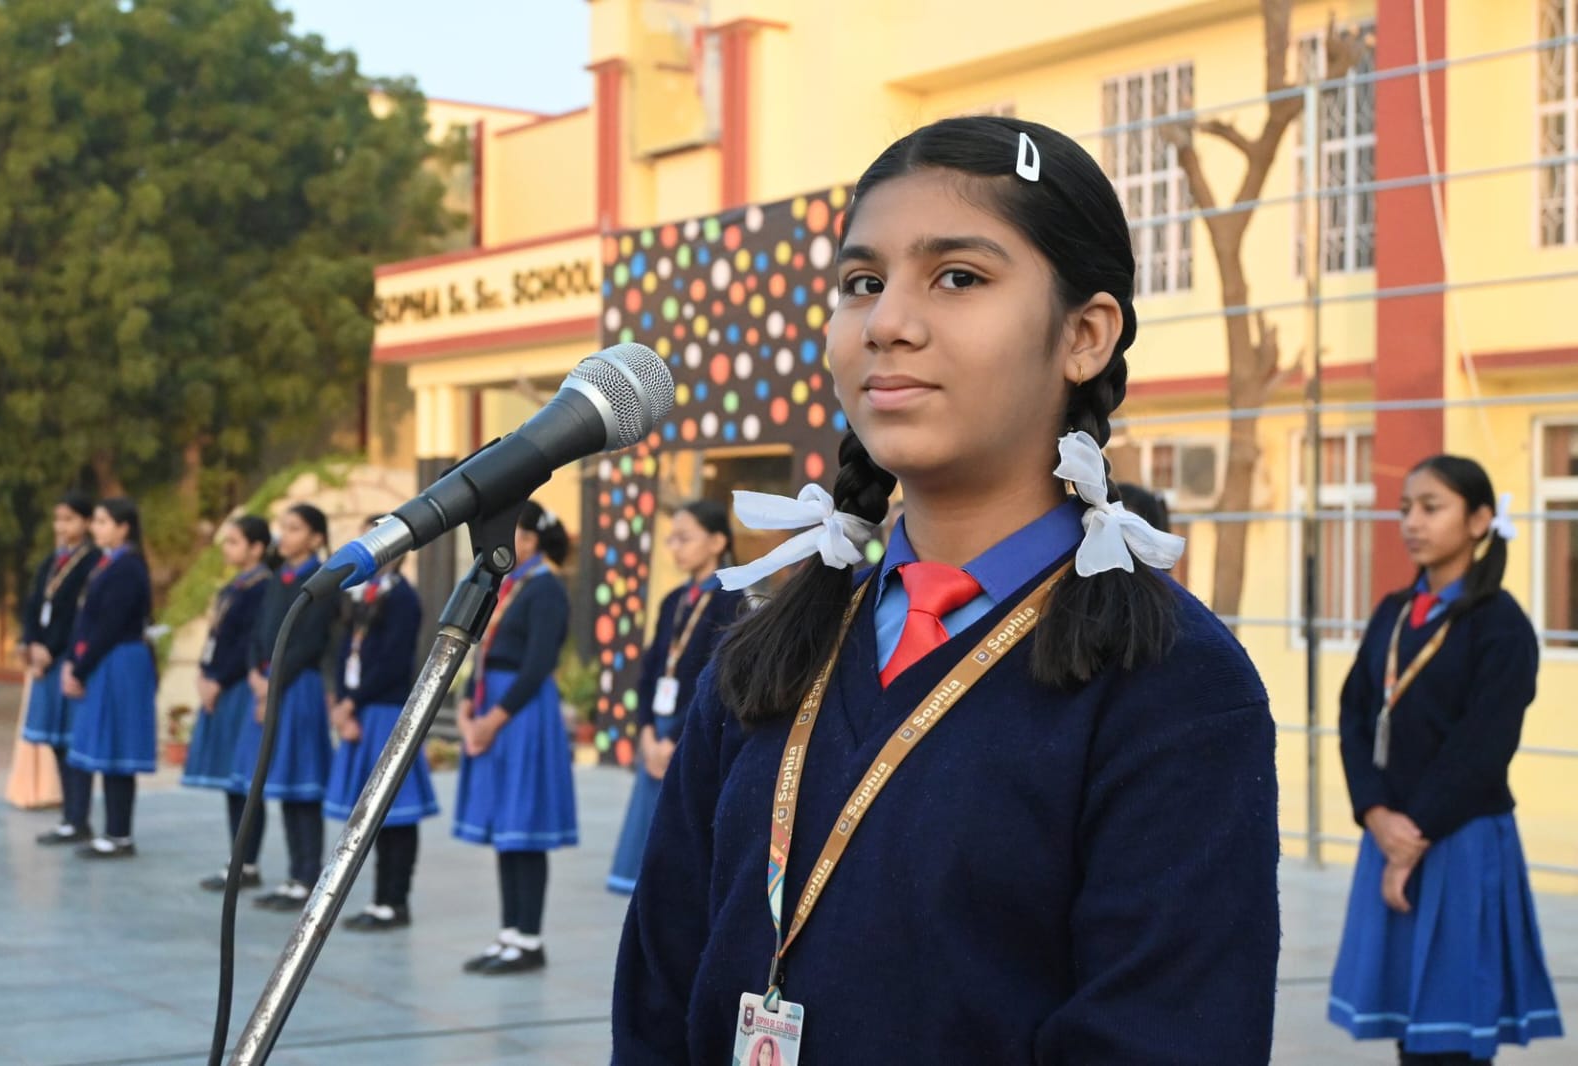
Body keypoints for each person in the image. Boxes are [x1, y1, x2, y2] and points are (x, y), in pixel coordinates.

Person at [612, 116, 1279, 1064]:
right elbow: (657, 996)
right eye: (861, 283)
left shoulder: (1173, 686)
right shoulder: (766, 653)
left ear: (1084, 335)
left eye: (957, 277)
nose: (886, 322)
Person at [1329, 456, 1563, 1064]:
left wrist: (1412, 835)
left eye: (1431, 507)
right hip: (1390, 833)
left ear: (1479, 520)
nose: (1412, 522)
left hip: (1459, 840)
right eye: (1406, 508)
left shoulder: (1501, 626)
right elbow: (1354, 715)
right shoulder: (1392, 612)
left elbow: (1483, 746)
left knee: (1454, 1035)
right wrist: (1375, 813)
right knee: (1409, 1026)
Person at [455, 501, 578, 975]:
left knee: (525, 829)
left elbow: (538, 664)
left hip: (521, 714)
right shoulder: (508, 584)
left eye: (516, 533)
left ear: (530, 539)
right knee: (506, 830)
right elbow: (483, 648)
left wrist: (493, 719)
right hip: (495, 707)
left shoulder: (546, 588)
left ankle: (529, 939)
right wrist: (467, 706)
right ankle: (508, 935)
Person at [607, 500, 744, 894]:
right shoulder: (674, 600)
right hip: (659, 732)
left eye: (685, 538)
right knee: (647, 829)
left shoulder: (731, 600)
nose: (676, 548)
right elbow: (650, 669)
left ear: (717, 541)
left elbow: (720, 678)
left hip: (695, 729)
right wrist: (646, 731)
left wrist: (672, 738)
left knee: (685, 833)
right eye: (672, 539)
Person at [323, 535, 436, 931]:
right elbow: (343, 651)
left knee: (395, 811)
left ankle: (395, 900)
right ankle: (379, 898)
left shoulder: (403, 599)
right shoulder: (360, 595)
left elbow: (393, 661)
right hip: (359, 710)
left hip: (385, 710)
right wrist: (342, 700)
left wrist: (352, 702)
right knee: (371, 814)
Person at [231, 503, 338, 912]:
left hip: (296, 687)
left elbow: (309, 642)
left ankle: (307, 876)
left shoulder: (323, 580)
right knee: (279, 783)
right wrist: (255, 675)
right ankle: (294, 875)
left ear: (316, 537)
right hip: (267, 684)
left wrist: (271, 684)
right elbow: (259, 633)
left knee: (301, 785)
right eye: (284, 528)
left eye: (295, 529)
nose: (285, 536)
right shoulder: (278, 578)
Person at [62, 497, 157, 858]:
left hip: (120, 660)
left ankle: (120, 835)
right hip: (105, 660)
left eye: (103, 522)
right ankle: (113, 831)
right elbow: (87, 620)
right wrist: (74, 660)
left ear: (123, 527)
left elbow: (110, 625)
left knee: (118, 746)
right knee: (107, 745)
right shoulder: (107, 563)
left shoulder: (128, 567)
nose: (95, 528)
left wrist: (80, 667)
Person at [185, 515, 274, 890]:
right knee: (231, 782)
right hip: (219, 686)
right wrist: (203, 674)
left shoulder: (263, 588)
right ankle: (236, 858)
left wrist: (219, 679)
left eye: (235, 541)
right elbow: (217, 638)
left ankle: (247, 863)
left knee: (245, 780)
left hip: (238, 688)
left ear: (257, 548)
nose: (227, 548)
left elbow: (246, 645)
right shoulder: (234, 586)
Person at [20, 491, 101, 844]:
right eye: (58, 519)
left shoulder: (91, 562)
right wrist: (30, 642)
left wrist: (51, 649)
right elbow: (34, 604)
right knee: (54, 739)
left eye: (69, 519)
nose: (61, 526)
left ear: (86, 522)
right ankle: (68, 814)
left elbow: (78, 616)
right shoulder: (52, 561)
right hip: (44, 659)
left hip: (66, 658)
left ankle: (78, 817)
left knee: (72, 740)